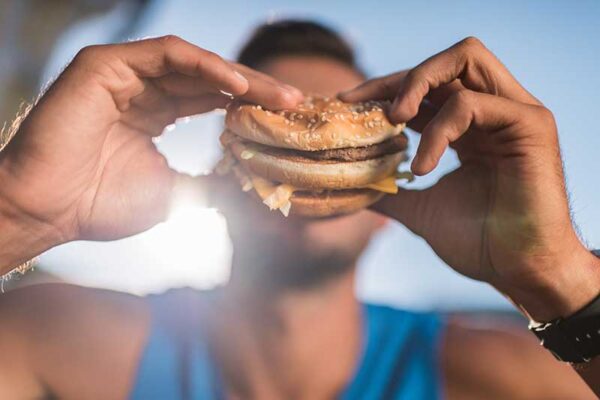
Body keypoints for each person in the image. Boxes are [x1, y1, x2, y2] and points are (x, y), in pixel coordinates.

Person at [0, 20, 598, 399]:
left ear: (388, 175)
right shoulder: (55, 340)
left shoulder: (502, 375)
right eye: (278, 128)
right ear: (223, 169)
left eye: (347, 137)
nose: (312, 139)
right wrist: (18, 217)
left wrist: (557, 277)